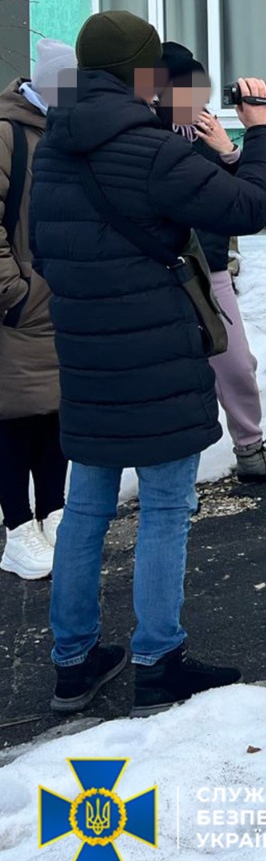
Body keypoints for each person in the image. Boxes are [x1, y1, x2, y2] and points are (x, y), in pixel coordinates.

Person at [31, 10, 266, 718]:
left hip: (86, 356)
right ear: (143, 74)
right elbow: (248, 206)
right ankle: (156, 660)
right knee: (167, 508)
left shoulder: (54, 148)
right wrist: (262, 129)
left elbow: (44, 252)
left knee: (85, 510)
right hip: (159, 357)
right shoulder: (151, 150)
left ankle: (72, 663)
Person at [154, 41, 266, 483]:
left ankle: (251, 451)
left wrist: (229, 151)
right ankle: (171, 480)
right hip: (163, 271)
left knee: (237, 365)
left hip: (211, 268)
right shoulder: (147, 135)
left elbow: (242, 199)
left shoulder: (204, 130)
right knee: (170, 374)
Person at [0, 41, 77, 581]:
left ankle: (54, 512)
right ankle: (18, 527)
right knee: (15, 416)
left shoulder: (65, 131)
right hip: (20, 308)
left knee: (56, 412)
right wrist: (15, 293)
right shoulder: (8, 133)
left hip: (63, 300)